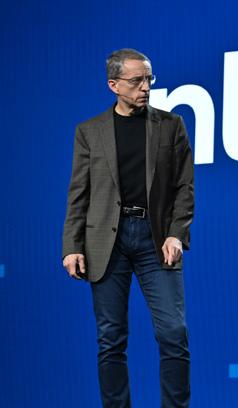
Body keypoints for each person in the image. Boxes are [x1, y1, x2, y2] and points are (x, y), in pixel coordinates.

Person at [62, 48, 194, 407]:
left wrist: (176, 233)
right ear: (114, 85)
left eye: (149, 79)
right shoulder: (89, 132)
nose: (145, 87)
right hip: (107, 242)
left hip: (156, 239)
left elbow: (184, 186)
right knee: (111, 339)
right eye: (137, 81)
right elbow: (79, 193)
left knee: (174, 333)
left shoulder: (171, 125)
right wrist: (71, 246)